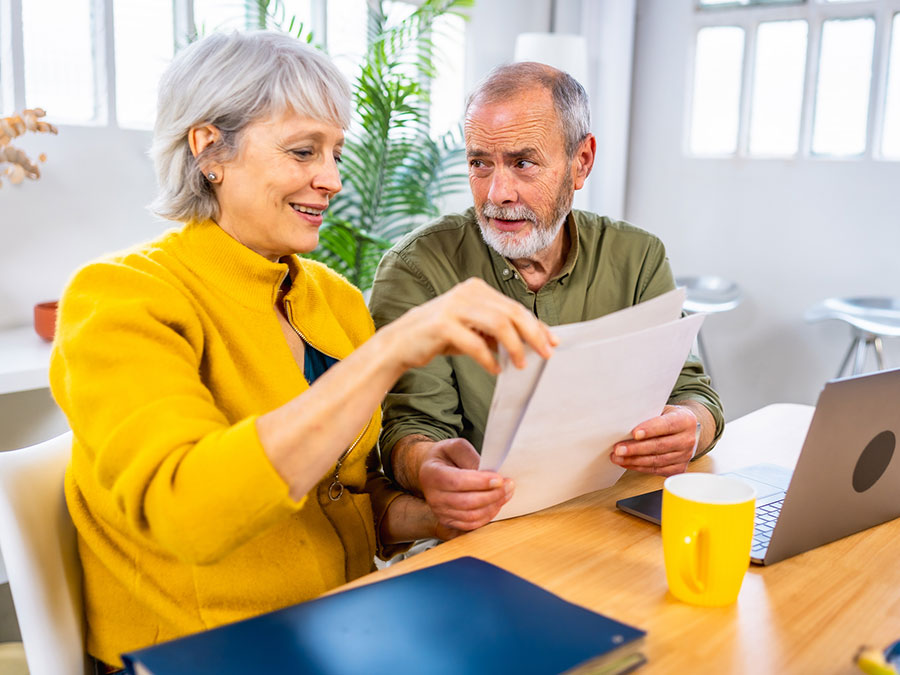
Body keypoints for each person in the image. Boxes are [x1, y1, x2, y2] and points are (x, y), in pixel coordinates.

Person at [49, 33, 556, 672]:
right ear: (209, 148)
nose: (333, 179)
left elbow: (336, 502)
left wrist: (434, 508)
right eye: (302, 151)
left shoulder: (332, 300)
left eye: (336, 152)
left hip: (337, 626)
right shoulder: (121, 297)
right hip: (199, 651)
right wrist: (393, 350)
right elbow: (188, 514)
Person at [369, 62, 725, 534]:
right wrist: (429, 468)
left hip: (618, 519)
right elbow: (410, 431)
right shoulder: (416, 270)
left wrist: (690, 427)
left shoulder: (637, 256)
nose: (498, 193)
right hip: (491, 538)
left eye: (523, 162)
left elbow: (693, 393)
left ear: (582, 162)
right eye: (480, 163)